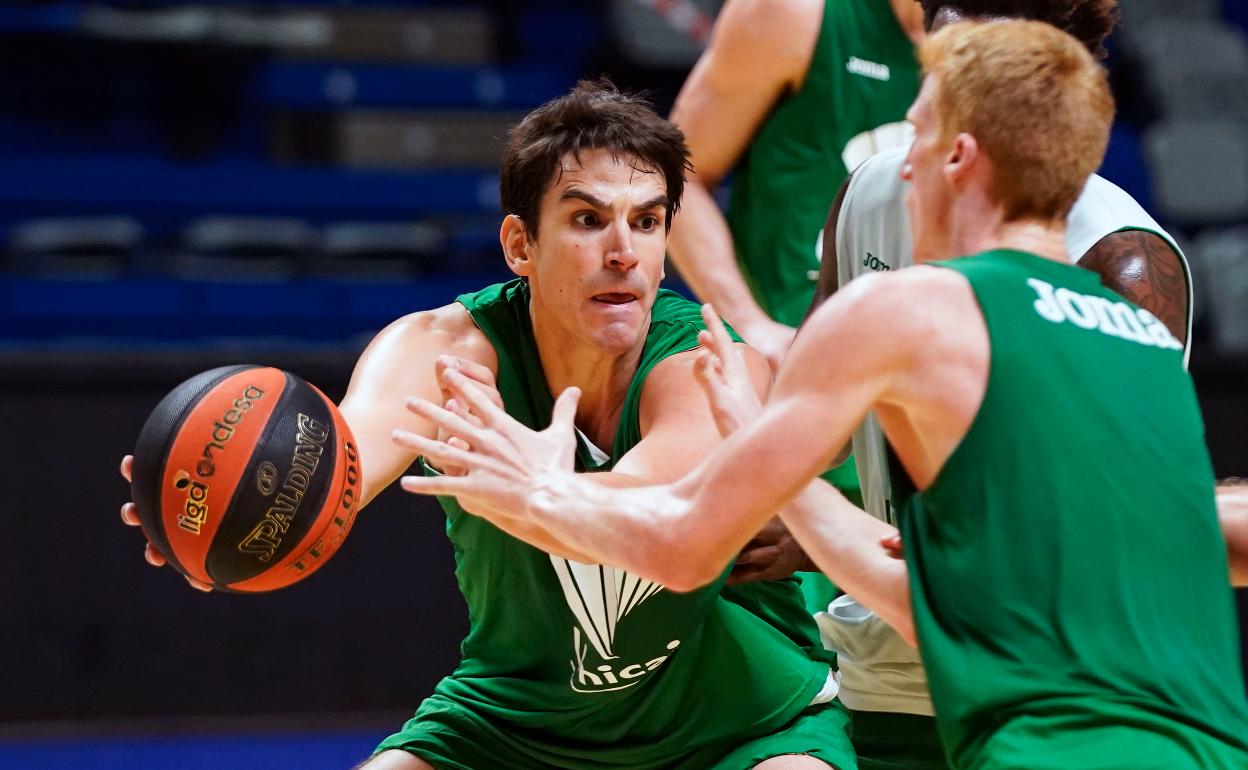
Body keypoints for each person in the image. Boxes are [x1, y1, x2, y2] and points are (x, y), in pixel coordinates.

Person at [399, 22, 1248, 769]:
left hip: (1052, 745)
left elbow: (689, 549)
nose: (897, 167)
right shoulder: (1133, 323)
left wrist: (543, 492)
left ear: (955, 159)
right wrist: (796, 494)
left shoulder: (909, 306)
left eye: (910, 138)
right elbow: (963, 593)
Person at [120, 81, 855, 770]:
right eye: (588, 220)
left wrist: (544, 489)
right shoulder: (441, 353)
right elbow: (337, 470)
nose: (624, 252)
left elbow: (668, 539)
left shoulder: (709, 365)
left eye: (648, 221)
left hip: (741, 720)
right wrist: (220, 517)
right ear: (519, 245)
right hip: (517, 718)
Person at [801, 2, 1193, 767]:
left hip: (1059, 691)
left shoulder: (1121, 264)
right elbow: (821, 432)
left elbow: (1043, 559)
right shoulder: (872, 190)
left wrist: (796, 508)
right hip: (883, 677)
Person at [666, 0, 927, 616]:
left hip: (929, 411)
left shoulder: (1018, 36)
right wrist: (748, 321)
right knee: (802, 684)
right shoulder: (791, 13)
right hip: (800, 403)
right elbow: (675, 173)